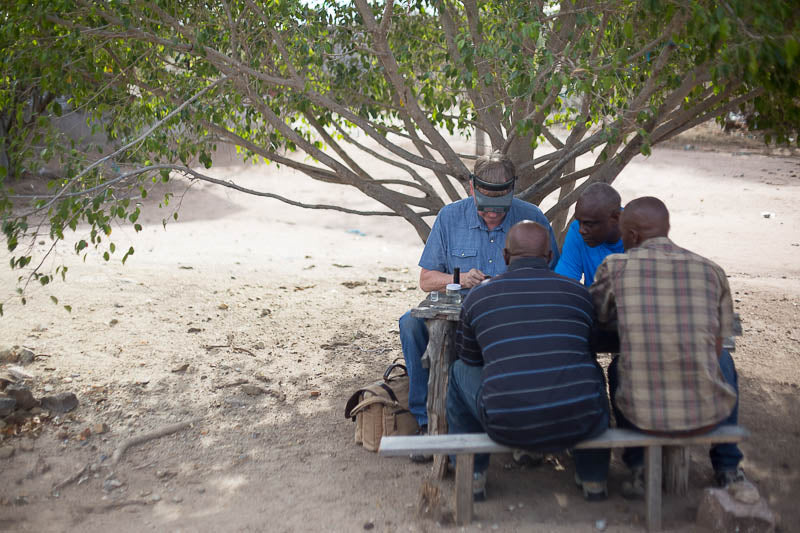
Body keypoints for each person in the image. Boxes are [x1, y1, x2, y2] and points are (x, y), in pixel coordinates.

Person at [399, 152, 560, 462]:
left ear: (513, 193)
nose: (491, 216)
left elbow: (549, 278)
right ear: (471, 189)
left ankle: (523, 427)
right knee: (410, 324)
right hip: (457, 312)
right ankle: (426, 424)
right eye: (485, 209)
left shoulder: (532, 218)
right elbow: (426, 279)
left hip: (509, 318)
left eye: (500, 211)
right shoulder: (449, 217)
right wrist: (459, 279)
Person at [590, 196, 745, 498]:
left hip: (643, 414)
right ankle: (728, 466)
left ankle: (639, 468)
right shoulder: (712, 270)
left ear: (632, 235)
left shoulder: (616, 267)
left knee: (617, 368)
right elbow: (716, 344)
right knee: (724, 360)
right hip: (705, 413)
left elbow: (599, 316)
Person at [446, 220, 610, 501]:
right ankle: (593, 478)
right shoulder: (579, 294)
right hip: (579, 421)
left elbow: (470, 358)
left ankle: (472, 475)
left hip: (504, 423)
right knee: (590, 370)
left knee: (459, 370)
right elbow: (591, 347)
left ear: (506, 257)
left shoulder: (479, 297)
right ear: (549, 257)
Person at [555, 182, 624, 286]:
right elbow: (563, 285)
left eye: (589, 224)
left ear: (615, 218)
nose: (581, 230)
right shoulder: (576, 230)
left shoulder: (640, 232)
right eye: (579, 222)